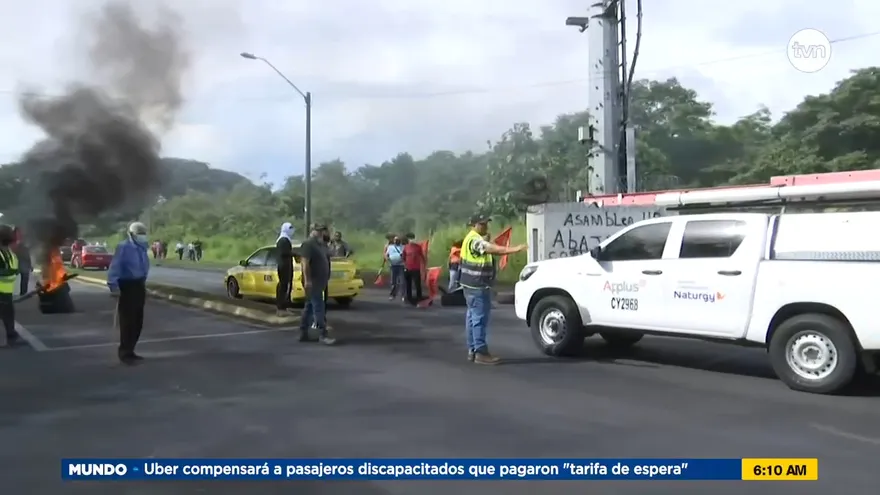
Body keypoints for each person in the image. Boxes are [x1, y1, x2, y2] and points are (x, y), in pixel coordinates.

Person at [460, 215, 527, 365]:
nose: (486, 227)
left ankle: (473, 349)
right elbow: (491, 249)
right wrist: (514, 249)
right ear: (475, 225)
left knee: (472, 317)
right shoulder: (475, 240)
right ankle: (481, 352)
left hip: (470, 284)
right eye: (483, 224)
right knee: (479, 318)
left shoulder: (470, 239)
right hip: (477, 285)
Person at [107, 222, 151, 365]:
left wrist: (143, 282)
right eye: (140, 232)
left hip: (139, 285)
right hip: (127, 285)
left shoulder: (143, 247)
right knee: (128, 321)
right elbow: (115, 267)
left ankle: (131, 350)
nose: (142, 235)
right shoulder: (124, 247)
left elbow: (144, 266)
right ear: (131, 234)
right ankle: (124, 352)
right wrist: (114, 286)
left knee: (138, 321)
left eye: (144, 232)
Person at [299, 224, 335, 345]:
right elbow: (305, 263)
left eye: (323, 231)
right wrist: (307, 280)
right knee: (318, 308)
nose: (322, 233)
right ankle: (322, 334)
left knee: (309, 307)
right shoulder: (308, 244)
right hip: (313, 281)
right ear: (313, 231)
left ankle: (303, 332)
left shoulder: (319, 245)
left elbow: (331, 254)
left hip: (319, 281)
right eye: (320, 231)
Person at [0, 224, 21, 347]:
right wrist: (11, 272)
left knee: (8, 314)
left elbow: (14, 269)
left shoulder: (9, 253)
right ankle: (11, 335)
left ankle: (11, 335)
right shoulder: (5, 253)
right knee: (7, 314)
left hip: (6, 292)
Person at [275, 222, 295, 316]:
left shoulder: (286, 239)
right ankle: (280, 307)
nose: (292, 230)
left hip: (286, 264)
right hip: (284, 265)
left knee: (286, 286)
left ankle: (284, 307)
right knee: (283, 286)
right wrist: (295, 253)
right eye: (290, 228)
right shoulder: (283, 240)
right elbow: (285, 252)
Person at [402, 232, 425, 306]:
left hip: (416, 268)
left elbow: (422, 257)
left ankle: (419, 297)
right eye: (410, 238)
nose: (411, 240)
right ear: (408, 239)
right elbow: (403, 257)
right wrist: (405, 266)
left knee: (417, 284)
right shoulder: (405, 247)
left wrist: (424, 266)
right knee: (408, 284)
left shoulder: (418, 247)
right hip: (408, 268)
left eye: (412, 238)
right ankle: (409, 298)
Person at [384, 235, 405, 301]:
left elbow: (405, 255)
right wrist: (387, 258)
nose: (396, 241)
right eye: (395, 240)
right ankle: (392, 295)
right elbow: (386, 254)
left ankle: (403, 295)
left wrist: (403, 258)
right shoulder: (390, 247)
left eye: (397, 240)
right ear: (393, 241)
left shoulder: (403, 247)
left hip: (401, 265)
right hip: (393, 266)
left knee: (402, 281)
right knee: (393, 281)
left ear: (400, 241)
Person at [12, 228, 32, 296]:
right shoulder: (12, 242)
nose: (19, 234)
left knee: (25, 279)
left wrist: (30, 265)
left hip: (24, 264)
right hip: (14, 264)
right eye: (17, 233)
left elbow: (27, 254)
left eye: (20, 233)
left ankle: (23, 294)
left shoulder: (24, 242)